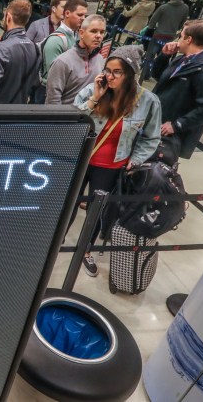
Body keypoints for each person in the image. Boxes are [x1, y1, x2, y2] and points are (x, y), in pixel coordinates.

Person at [72, 45, 162, 276]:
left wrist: (136, 159)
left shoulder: (148, 101)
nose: (109, 77)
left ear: (130, 75)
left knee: (96, 210)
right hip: (81, 159)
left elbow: (151, 137)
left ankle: (85, 250)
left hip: (111, 166)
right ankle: (54, 242)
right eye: (107, 70)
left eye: (116, 72)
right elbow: (74, 123)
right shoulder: (93, 91)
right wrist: (95, 98)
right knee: (68, 204)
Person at [152, 19, 203, 159]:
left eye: (181, 35)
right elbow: (158, 76)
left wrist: (177, 125)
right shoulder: (182, 60)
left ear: (189, 39)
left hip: (170, 137)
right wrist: (164, 56)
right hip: (155, 124)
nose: (178, 39)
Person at [36, 0, 88, 104]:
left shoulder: (76, 36)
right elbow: (53, 79)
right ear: (67, 13)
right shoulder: (56, 41)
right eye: (79, 15)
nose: (83, 18)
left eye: (84, 15)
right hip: (50, 97)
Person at [46, 14, 107, 105]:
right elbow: (52, 101)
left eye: (102, 32)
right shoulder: (63, 62)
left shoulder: (100, 59)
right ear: (81, 33)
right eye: (93, 31)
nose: (98, 36)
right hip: (68, 116)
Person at [141, 0, 190, 80]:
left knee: (150, 55)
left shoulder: (163, 7)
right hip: (171, 36)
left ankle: (145, 74)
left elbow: (152, 20)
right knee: (164, 57)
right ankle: (160, 75)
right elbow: (183, 22)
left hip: (158, 34)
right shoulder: (185, 8)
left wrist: (151, 28)